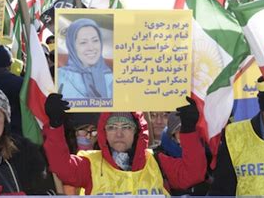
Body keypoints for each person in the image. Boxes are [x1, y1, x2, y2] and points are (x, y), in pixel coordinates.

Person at [43, 94, 207, 195]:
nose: (119, 133)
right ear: (103, 132)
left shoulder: (155, 162)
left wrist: (189, 131)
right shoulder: (91, 164)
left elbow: (193, 174)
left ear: (137, 132)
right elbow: (61, 167)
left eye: (126, 127)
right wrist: (55, 125)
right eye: (112, 127)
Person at [154, 111, 212, 195]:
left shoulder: (211, 156)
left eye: (193, 129)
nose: (184, 135)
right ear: (172, 135)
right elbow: (193, 174)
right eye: (180, 130)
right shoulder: (160, 158)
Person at [58, 18, 112, 99]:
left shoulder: (112, 78)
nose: (91, 47)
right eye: (83, 42)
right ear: (72, 45)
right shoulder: (60, 76)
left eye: (95, 40)